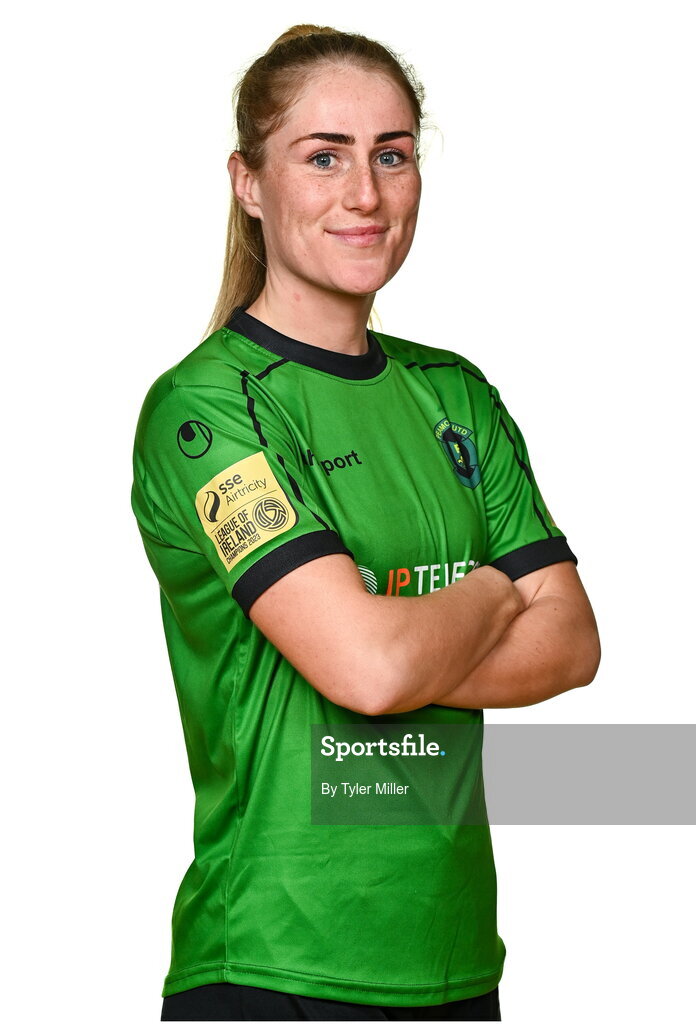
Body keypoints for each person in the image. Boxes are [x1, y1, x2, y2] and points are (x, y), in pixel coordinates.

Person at [131, 24, 601, 1023]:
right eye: (323, 156)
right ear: (249, 182)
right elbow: (370, 672)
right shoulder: (211, 409)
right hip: (275, 963)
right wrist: (485, 589)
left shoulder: (454, 395)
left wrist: (384, 632)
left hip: (453, 956)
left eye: (391, 154)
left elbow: (570, 642)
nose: (366, 193)